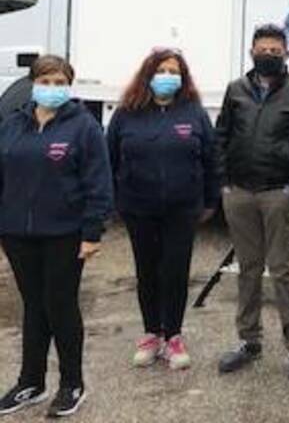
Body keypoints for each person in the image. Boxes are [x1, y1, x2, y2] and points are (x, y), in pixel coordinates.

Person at [215, 24, 289, 381]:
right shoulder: (236, 90)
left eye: (275, 50)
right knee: (248, 269)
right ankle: (248, 340)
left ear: (285, 53)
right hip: (239, 192)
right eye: (262, 49)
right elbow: (221, 136)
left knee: (283, 270)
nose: (268, 54)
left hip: (278, 193)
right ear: (251, 51)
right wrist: (223, 183)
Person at [0, 55, 113, 418]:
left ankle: (71, 384)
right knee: (33, 306)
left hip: (64, 234)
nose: (52, 88)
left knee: (60, 306)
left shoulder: (84, 127)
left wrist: (92, 231)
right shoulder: (12, 125)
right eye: (45, 81)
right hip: (17, 232)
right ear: (32, 84)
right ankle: (30, 383)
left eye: (59, 81)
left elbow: (99, 183)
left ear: (69, 85)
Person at [106, 48, 219, 372]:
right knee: (147, 271)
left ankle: (173, 336)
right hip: (138, 207)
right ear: (148, 75)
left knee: (175, 271)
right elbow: (108, 157)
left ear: (182, 78)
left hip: (182, 209)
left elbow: (211, 159)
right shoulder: (127, 113)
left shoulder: (193, 112)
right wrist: (114, 201)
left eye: (174, 71)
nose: (167, 77)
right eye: (161, 71)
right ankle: (151, 333)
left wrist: (210, 200)